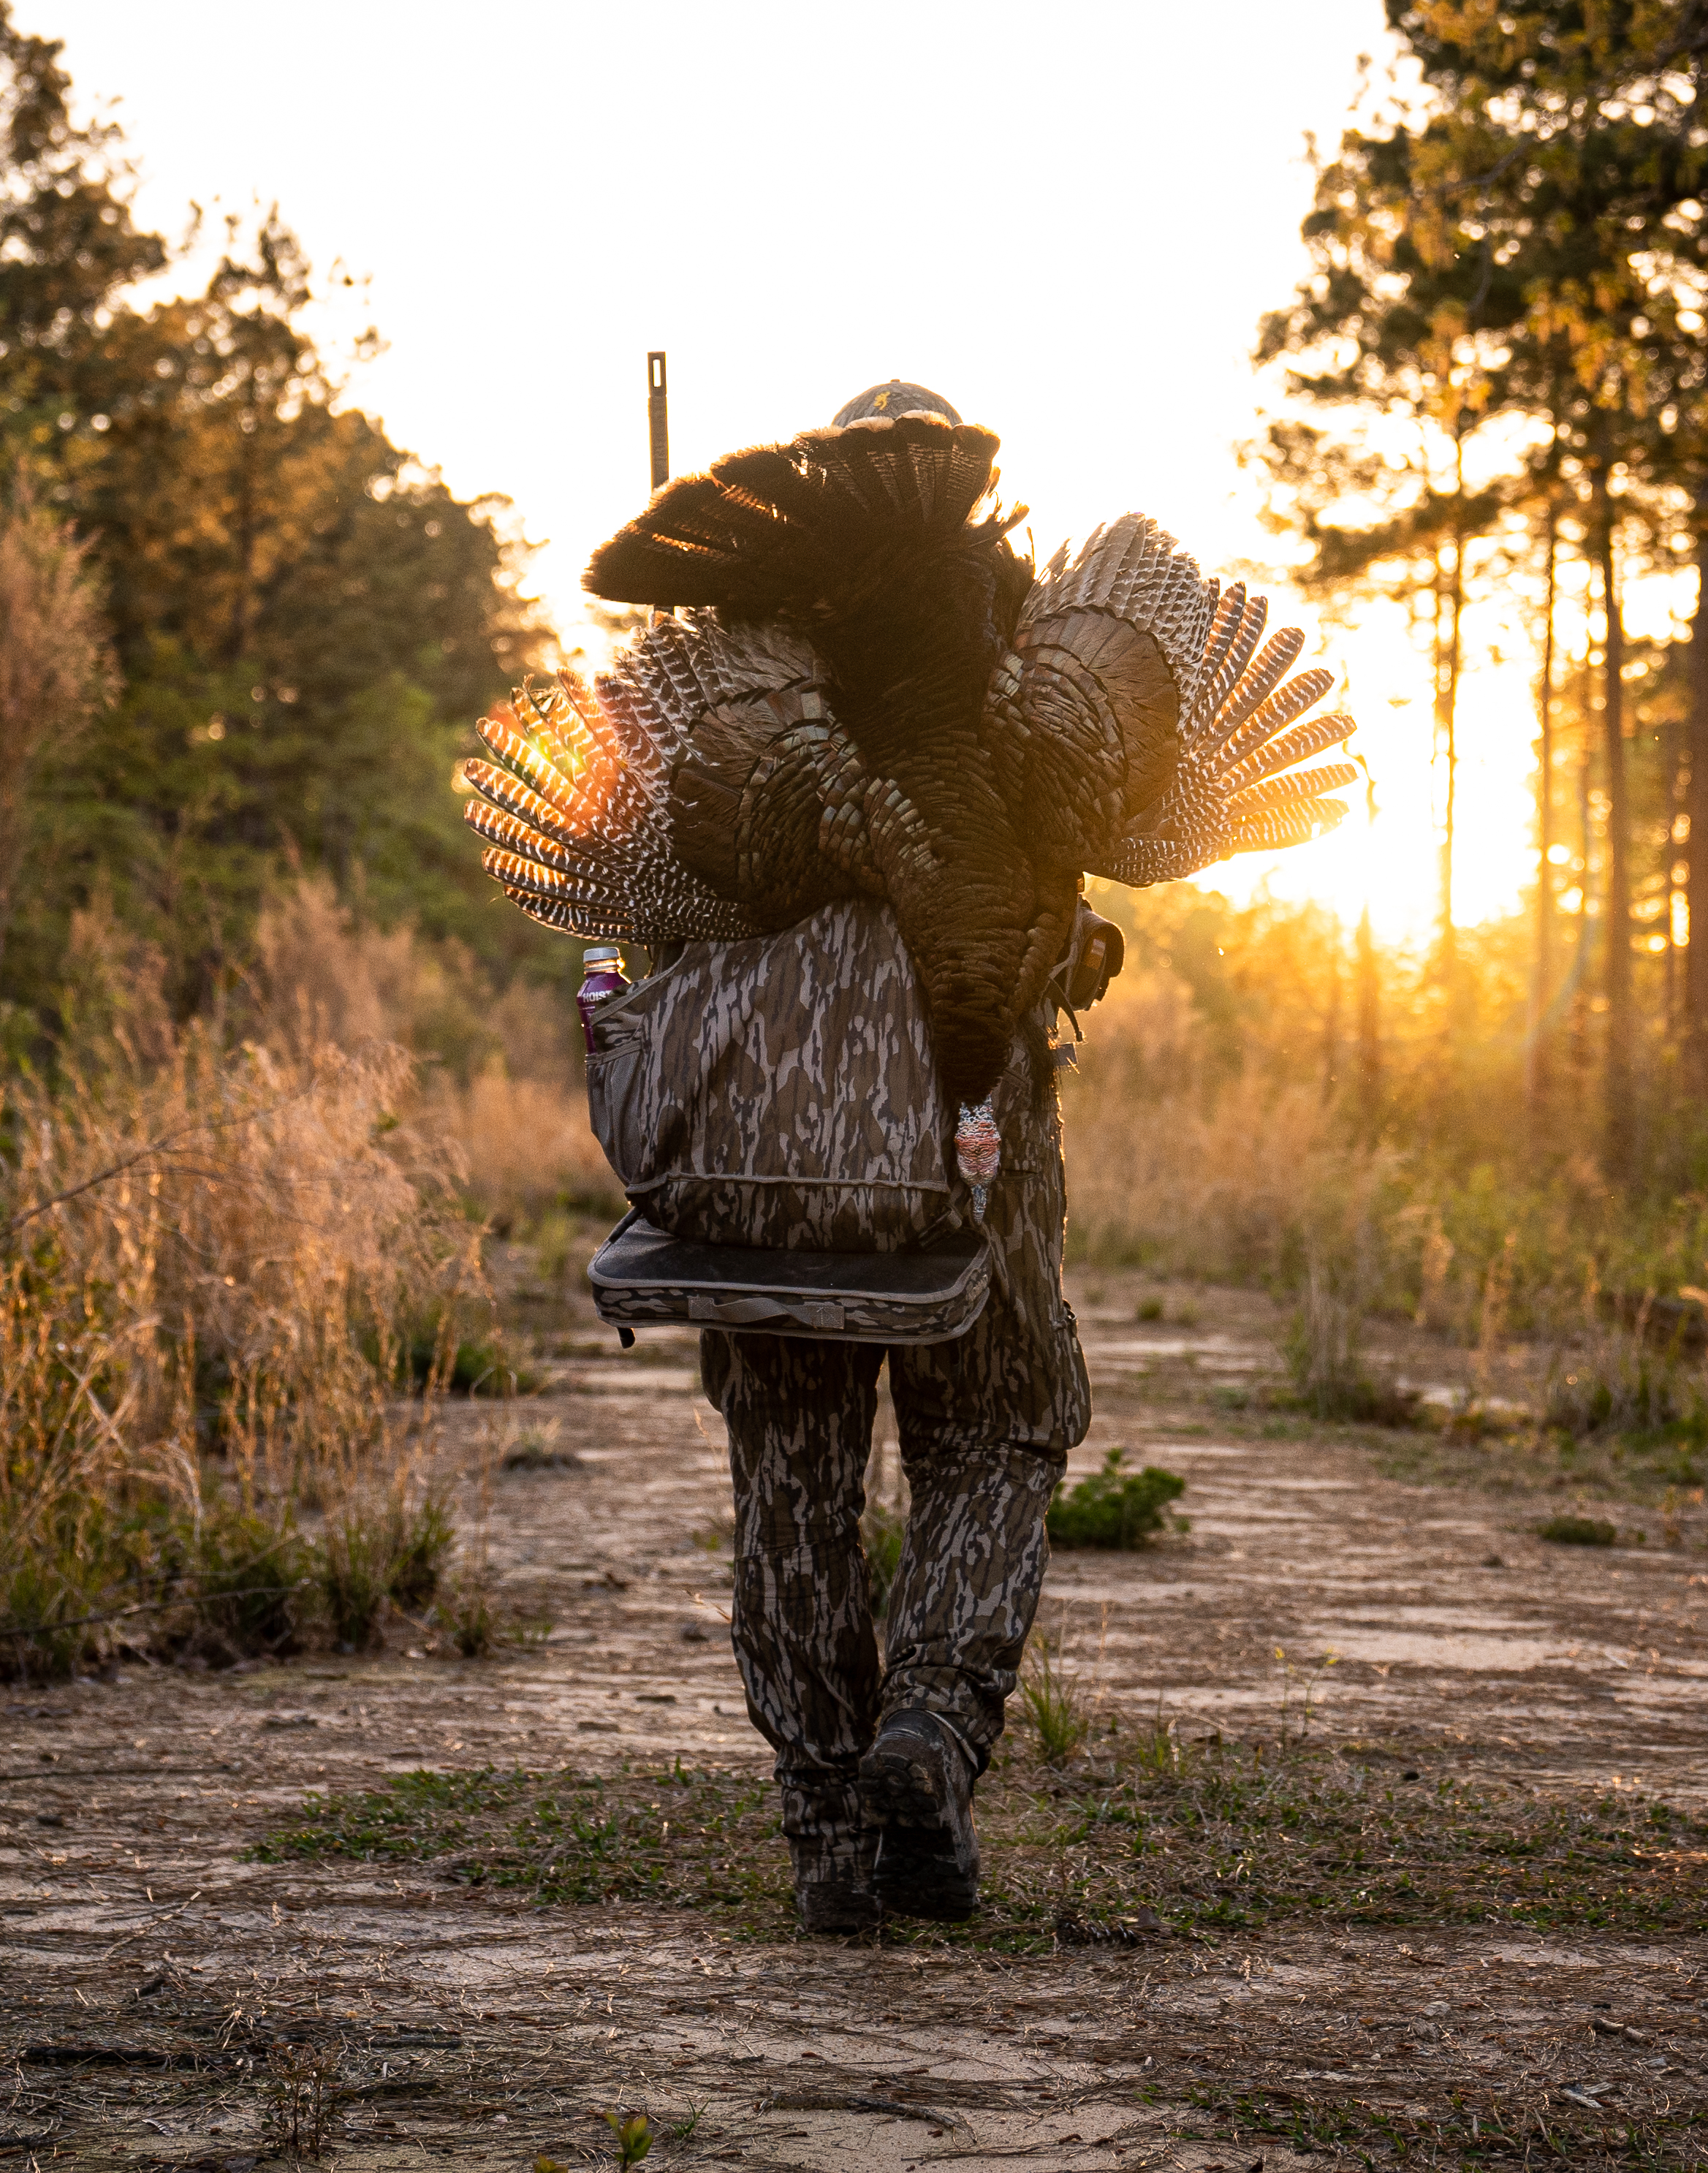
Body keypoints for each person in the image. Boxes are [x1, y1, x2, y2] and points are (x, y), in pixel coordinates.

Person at [699, 383, 1119, 1933]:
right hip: (973, 1142)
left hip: (774, 1159)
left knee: (792, 1480)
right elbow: (1054, 926)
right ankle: (929, 1738)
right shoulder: (1013, 661)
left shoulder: (736, 663)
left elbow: (646, 938)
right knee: (997, 1431)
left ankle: (829, 1836)